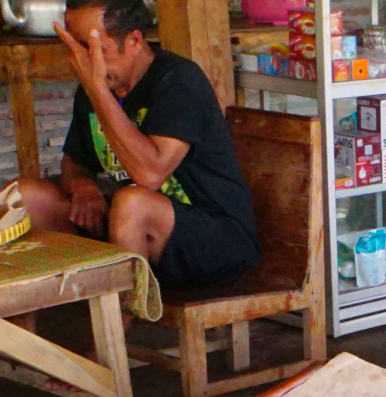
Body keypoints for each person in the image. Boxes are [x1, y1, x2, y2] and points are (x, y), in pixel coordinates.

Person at [19, 0, 260, 289]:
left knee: (132, 203)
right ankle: (16, 332)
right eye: (73, 46)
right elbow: (74, 161)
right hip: (130, 230)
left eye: (94, 49)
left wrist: (97, 91)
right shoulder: (96, 84)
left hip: (215, 242)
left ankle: (116, 332)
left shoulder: (178, 81)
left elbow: (149, 176)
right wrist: (83, 188)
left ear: (133, 40)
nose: (80, 61)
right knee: (26, 196)